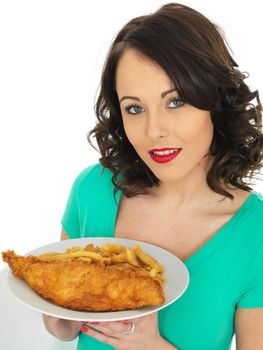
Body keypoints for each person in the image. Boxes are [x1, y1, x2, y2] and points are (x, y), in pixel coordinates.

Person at [43, 3, 263, 350]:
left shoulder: (254, 233)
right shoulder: (93, 190)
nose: (154, 131)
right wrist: (59, 315)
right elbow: (65, 330)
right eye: (135, 108)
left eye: (175, 102)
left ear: (215, 99)